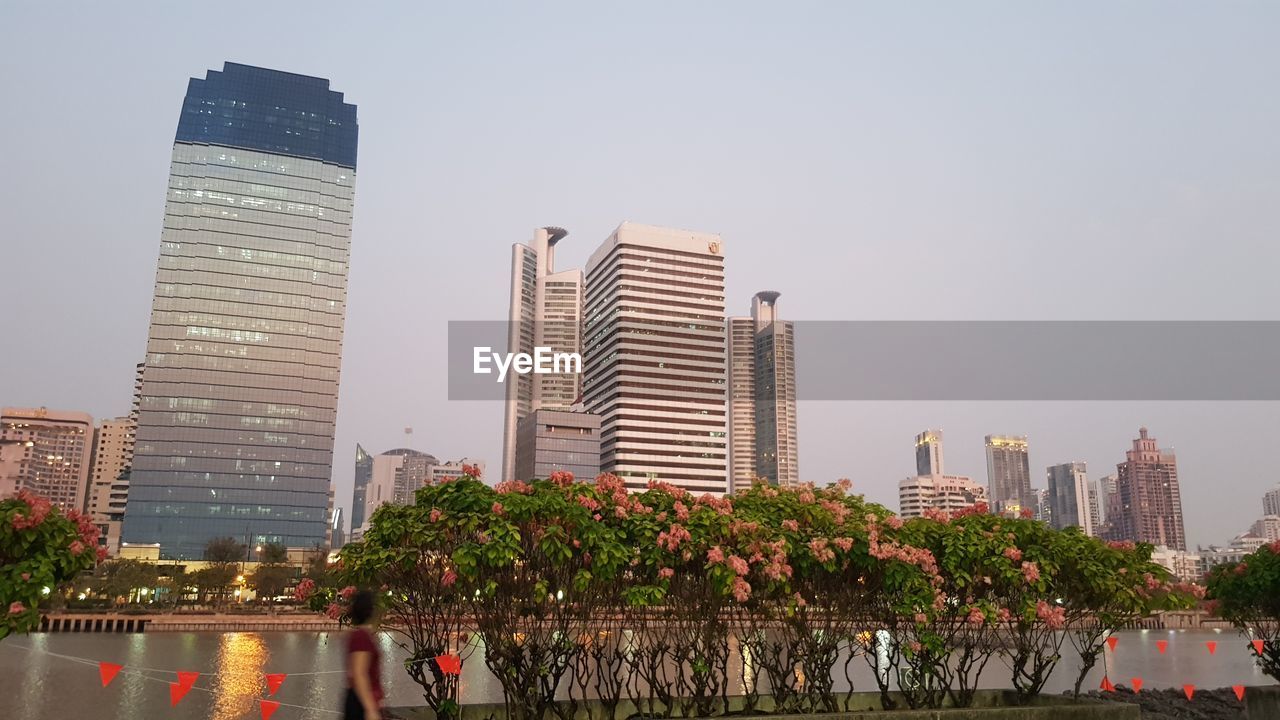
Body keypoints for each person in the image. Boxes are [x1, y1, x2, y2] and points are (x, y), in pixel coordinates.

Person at [344, 590, 384, 720]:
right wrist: (370, 708)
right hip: (360, 702)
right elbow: (359, 673)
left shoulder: (362, 635)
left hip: (361, 699)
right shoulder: (361, 637)